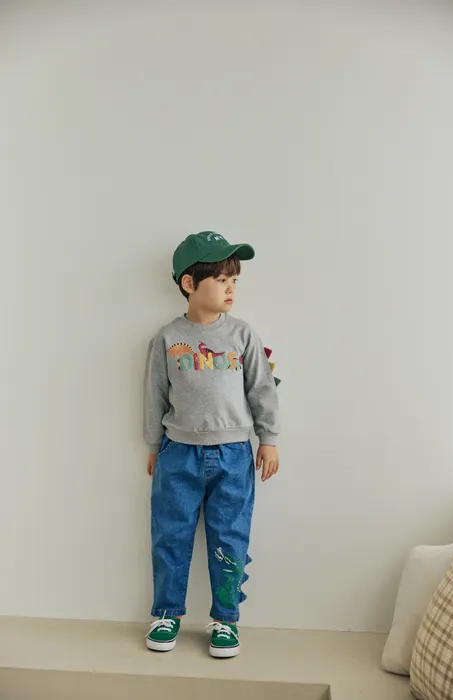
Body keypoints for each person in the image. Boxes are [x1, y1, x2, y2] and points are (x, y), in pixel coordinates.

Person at [143, 230, 280, 658]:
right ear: (189, 283)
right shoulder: (167, 338)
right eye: (221, 280)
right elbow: (154, 395)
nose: (231, 288)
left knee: (230, 538)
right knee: (170, 536)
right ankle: (167, 613)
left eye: (234, 280)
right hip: (177, 454)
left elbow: (262, 390)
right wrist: (153, 446)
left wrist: (269, 439)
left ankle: (226, 619)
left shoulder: (242, 335)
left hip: (235, 455)